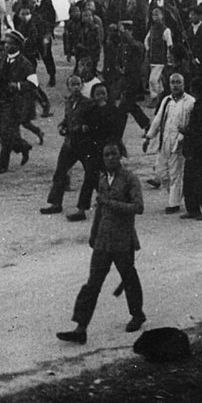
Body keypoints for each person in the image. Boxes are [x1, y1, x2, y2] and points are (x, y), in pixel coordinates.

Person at [56, 143, 146, 343]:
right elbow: (99, 209)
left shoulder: (130, 179)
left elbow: (138, 207)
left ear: (120, 155)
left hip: (123, 241)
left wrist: (110, 204)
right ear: (103, 158)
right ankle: (80, 328)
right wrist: (94, 233)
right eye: (107, 155)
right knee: (92, 284)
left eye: (114, 154)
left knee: (129, 279)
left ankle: (137, 314)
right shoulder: (103, 179)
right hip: (103, 241)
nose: (111, 158)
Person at [41, 75, 104, 222]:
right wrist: (62, 126)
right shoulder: (69, 102)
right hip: (70, 143)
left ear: (82, 86)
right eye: (73, 85)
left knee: (91, 175)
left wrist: (85, 128)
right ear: (68, 87)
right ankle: (56, 203)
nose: (76, 87)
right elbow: (67, 118)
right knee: (60, 172)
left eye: (78, 84)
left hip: (85, 144)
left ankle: (87, 207)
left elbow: (94, 122)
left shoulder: (89, 103)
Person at [142, 72, 194, 215]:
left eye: (178, 82)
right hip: (164, 141)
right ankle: (176, 193)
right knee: (161, 172)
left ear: (184, 84)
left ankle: (174, 203)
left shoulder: (190, 102)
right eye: (173, 82)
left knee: (175, 172)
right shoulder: (166, 100)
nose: (175, 85)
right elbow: (158, 120)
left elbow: (191, 124)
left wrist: (183, 137)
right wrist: (149, 137)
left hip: (179, 143)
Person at [0, 30, 35, 174]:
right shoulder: (2, 59)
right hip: (0, 101)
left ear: (17, 46)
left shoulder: (25, 63)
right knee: (2, 132)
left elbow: (34, 83)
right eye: (5, 43)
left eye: (10, 43)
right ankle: (23, 146)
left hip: (15, 103)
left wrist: (19, 86)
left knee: (6, 135)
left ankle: (3, 165)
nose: (6, 46)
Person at [179, 77, 202, 220]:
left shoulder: (201, 107)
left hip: (196, 148)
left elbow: (198, 130)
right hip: (199, 148)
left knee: (197, 179)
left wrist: (186, 131)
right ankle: (194, 208)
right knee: (191, 178)